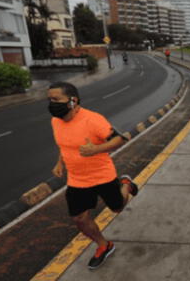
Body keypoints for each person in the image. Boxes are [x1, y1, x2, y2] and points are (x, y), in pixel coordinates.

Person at [48, 81, 138, 270]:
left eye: (56, 99)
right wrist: (59, 162)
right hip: (77, 180)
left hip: (102, 175)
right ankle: (104, 245)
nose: (51, 103)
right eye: (49, 99)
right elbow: (63, 144)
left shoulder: (93, 119)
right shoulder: (55, 121)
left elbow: (121, 138)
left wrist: (96, 149)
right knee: (79, 219)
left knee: (118, 208)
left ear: (73, 101)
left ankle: (126, 184)